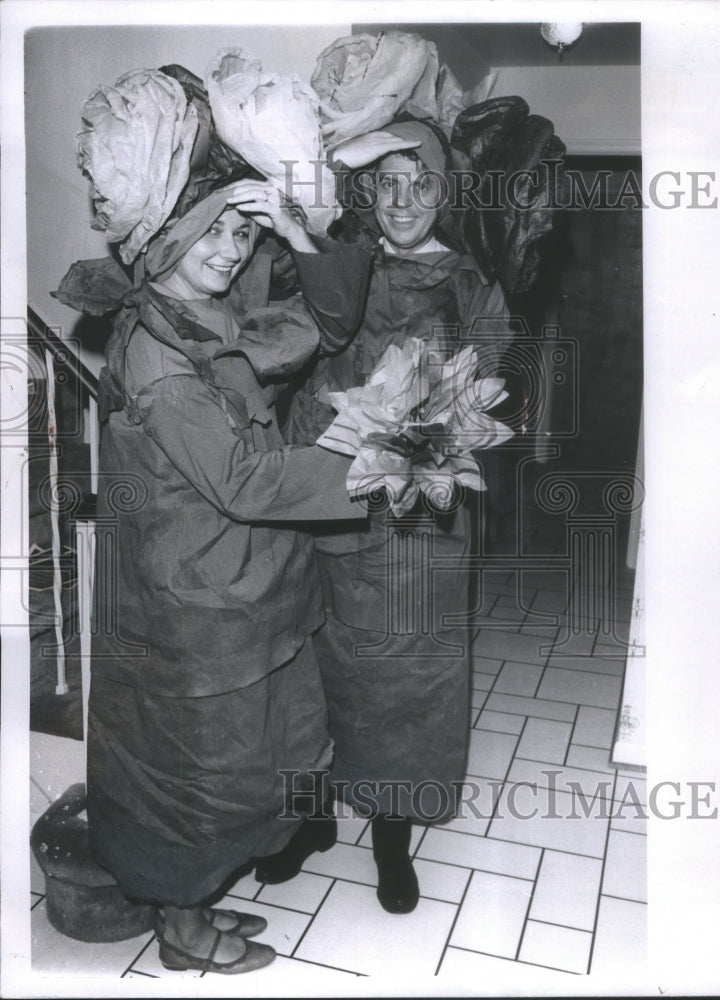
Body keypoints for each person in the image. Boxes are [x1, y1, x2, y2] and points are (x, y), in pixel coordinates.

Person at [56, 167, 372, 972]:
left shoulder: (204, 313)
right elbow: (241, 479)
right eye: (213, 231)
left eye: (242, 232)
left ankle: (193, 899)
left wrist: (299, 236)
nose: (231, 251)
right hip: (192, 601)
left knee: (252, 753)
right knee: (196, 769)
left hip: (241, 579)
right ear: (165, 238)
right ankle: (182, 930)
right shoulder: (160, 359)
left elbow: (326, 327)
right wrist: (374, 465)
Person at [259, 118, 513, 914]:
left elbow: (491, 381)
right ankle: (310, 819)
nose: (403, 201)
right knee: (306, 663)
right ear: (368, 190)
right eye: (387, 184)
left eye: (422, 183)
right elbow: (290, 361)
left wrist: (426, 431)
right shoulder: (339, 265)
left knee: (406, 679)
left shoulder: (471, 281)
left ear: (445, 190)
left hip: (417, 516)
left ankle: (391, 834)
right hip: (322, 500)